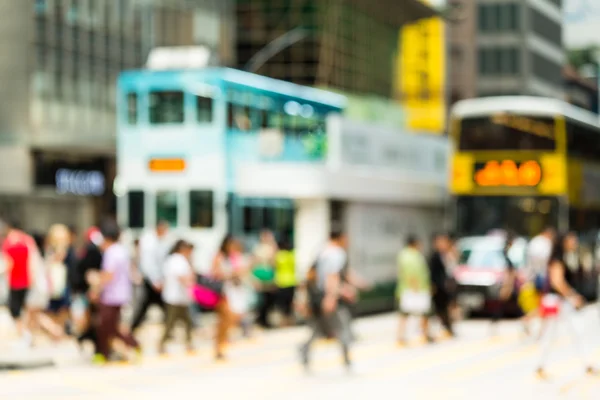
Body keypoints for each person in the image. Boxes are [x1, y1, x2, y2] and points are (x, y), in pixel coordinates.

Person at [536, 232, 596, 378]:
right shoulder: (557, 259)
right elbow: (557, 282)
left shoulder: (565, 258)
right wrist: (572, 296)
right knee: (553, 334)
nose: (574, 242)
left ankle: (586, 363)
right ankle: (540, 365)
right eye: (572, 240)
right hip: (557, 301)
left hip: (560, 302)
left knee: (576, 331)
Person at [299, 227, 352, 371]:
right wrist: (331, 297)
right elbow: (332, 276)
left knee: (317, 330)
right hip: (328, 296)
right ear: (341, 238)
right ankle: (347, 359)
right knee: (343, 327)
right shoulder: (337, 254)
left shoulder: (321, 251)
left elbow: (310, 274)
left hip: (316, 296)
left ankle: (304, 351)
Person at [94, 220, 141, 365]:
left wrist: (96, 289)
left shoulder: (111, 252)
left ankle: (104, 354)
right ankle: (132, 346)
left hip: (111, 296)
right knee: (112, 327)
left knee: (104, 328)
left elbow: (108, 275)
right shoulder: (122, 250)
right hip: (122, 294)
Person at [131, 220, 171, 333]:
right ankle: (133, 327)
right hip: (151, 279)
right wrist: (155, 280)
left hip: (156, 279)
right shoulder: (149, 241)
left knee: (150, 305)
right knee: (145, 305)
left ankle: (134, 327)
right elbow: (148, 263)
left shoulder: (160, 241)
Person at [1, 219, 35, 346]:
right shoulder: (27, 240)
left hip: (15, 282)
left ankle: (24, 335)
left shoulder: (8, 243)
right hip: (27, 281)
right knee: (24, 310)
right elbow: (33, 261)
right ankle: (26, 334)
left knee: (14, 311)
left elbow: (7, 263)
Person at [159, 240, 195, 355]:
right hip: (175, 296)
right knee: (171, 322)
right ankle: (161, 344)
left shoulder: (177, 259)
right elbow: (181, 276)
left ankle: (188, 343)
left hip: (180, 297)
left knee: (186, 321)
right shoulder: (177, 260)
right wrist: (192, 287)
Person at [397, 235, 433, 345]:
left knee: (407, 313)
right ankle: (424, 334)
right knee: (421, 313)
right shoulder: (410, 255)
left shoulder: (406, 254)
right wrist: (415, 286)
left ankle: (404, 335)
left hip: (412, 289)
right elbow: (410, 272)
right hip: (415, 289)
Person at [72, 227, 104, 352]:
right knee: (93, 320)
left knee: (92, 320)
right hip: (91, 292)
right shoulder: (92, 251)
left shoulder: (87, 251)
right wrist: (94, 290)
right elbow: (90, 274)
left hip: (87, 291)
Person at [524, 227, 555, 336]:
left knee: (540, 304)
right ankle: (530, 321)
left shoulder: (534, 241)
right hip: (541, 276)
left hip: (534, 276)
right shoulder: (545, 243)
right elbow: (546, 260)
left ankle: (539, 328)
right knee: (542, 305)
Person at [490, 232, 519, 335]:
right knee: (503, 304)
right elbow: (506, 271)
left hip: (508, 283)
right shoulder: (505, 254)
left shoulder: (508, 253)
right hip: (507, 284)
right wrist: (507, 285)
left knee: (507, 304)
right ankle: (494, 322)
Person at [428, 232, 455, 338]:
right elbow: (432, 273)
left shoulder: (447, 255)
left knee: (445, 309)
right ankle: (430, 331)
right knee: (437, 310)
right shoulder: (434, 256)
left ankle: (448, 327)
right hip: (437, 288)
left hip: (445, 288)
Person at [252, 230, 278, 329]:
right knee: (262, 300)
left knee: (269, 299)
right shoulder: (258, 249)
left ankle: (265, 319)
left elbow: (274, 263)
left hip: (269, 277)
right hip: (261, 277)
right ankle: (261, 319)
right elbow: (254, 264)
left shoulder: (272, 248)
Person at [274, 237, 297, 327]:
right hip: (292, 281)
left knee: (282, 304)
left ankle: (283, 322)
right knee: (289, 303)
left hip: (282, 282)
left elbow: (274, 265)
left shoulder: (279, 255)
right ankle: (289, 320)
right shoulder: (292, 255)